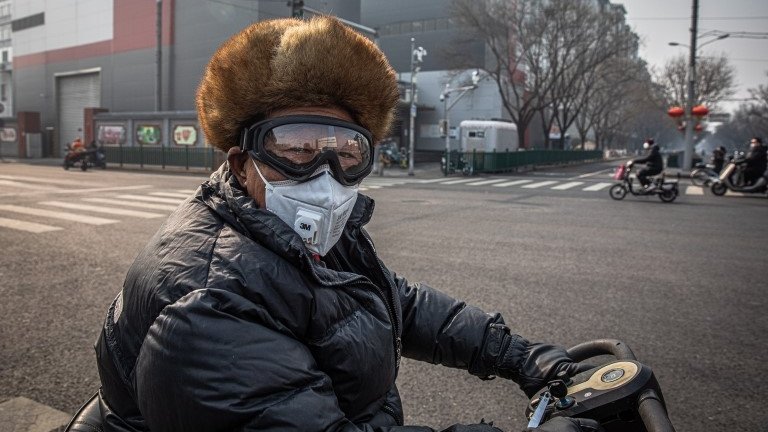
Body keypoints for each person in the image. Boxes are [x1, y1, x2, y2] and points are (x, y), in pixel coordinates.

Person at [93, 16, 600, 432]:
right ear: (242, 161)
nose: (325, 175)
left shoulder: (280, 231)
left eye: (347, 151)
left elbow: (391, 299)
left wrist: (516, 354)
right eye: (297, 147)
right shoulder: (206, 305)